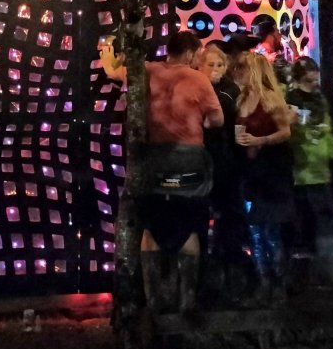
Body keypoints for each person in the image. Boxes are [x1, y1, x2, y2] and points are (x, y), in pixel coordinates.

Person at [99, 31, 223, 319]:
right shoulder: (199, 79)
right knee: (189, 223)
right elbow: (217, 119)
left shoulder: (146, 70)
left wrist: (106, 49)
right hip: (189, 161)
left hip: (155, 161)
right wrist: (200, 120)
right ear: (190, 54)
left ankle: (153, 300)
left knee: (152, 223)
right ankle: (187, 300)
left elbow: (112, 72)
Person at [233, 52, 297, 306]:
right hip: (250, 173)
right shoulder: (241, 99)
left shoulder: (270, 98)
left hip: (271, 173)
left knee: (271, 231)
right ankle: (264, 283)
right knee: (256, 233)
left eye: (243, 68)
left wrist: (261, 140)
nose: (238, 72)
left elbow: (285, 132)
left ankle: (279, 284)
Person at [197, 44, 249, 304]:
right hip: (199, 159)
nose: (215, 70)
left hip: (226, 161)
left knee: (229, 215)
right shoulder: (195, 86)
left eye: (219, 65)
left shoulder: (230, 90)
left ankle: (228, 268)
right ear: (200, 65)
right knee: (200, 213)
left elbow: (235, 119)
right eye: (210, 65)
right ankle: (203, 274)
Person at [289, 57, 333, 287]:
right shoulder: (291, 100)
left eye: (315, 79)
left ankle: (328, 271)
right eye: (309, 80)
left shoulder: (320, 100)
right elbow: (293, 134)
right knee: (306, 226)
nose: (314, 84)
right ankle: (309, 275)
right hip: (301, 174)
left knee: (325, 222)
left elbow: (326, 132)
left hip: (320, 172)